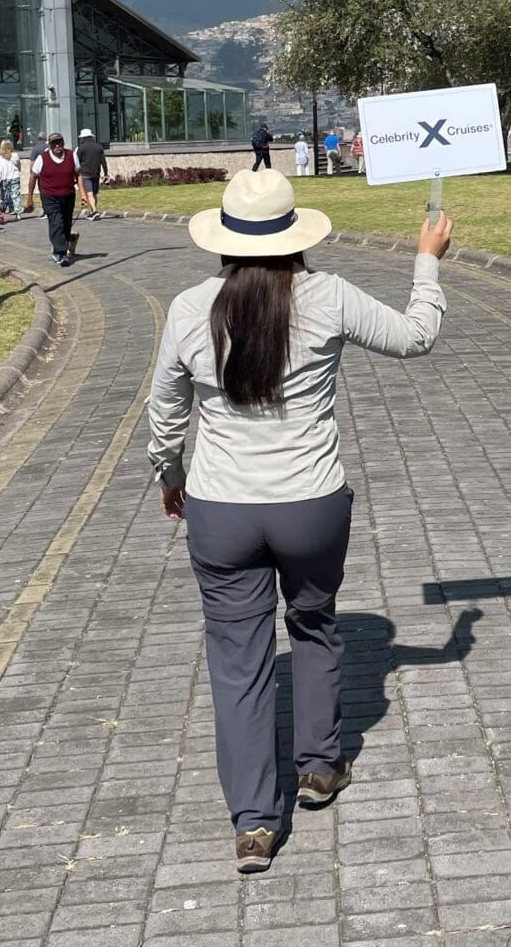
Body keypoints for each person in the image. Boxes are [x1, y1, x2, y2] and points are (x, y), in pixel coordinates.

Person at [146, 168, 452, 873]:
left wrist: (170, 476)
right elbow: (414, 338)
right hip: (310, 503)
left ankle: (254, 823)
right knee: (314, 622)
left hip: (221, 509)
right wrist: (427, 260)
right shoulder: (328, 295)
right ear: (294, 236)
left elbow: (165, 412)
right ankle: (320, 766)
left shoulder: (191, 307)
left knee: (238, 660)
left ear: (222, 240)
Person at [26, 131, 86, 266]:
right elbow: (33, 177)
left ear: (63, 143)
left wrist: (83, 194)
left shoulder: (72, 156)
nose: (57, 146)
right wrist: (30, 198)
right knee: (56, 222)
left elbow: (78, 175)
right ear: (50, 145)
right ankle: (61, 253)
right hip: (49, 196)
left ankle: (58, 247)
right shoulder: (43, 158)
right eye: (54, 143)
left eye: (59, 142)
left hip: (68, 195)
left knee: (65, 223)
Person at [75, 127, 109, 220]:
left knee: (89, 193)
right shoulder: (99, 147)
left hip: (85, 173)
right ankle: (92, 211)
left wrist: (75, 175)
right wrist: (106, 173)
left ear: (83, 138)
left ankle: (94, 211)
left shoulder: (81, 148)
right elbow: (103, 161)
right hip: (96, 173)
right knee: (94, 193)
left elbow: (76, 161)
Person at [0, 139, 23, 220]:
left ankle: (6, 208)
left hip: (4, 177)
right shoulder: (15, 155)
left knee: (5, 195)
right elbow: (19, 166)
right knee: (16, 195)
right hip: (14, 176)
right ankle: (17, 212)